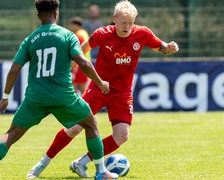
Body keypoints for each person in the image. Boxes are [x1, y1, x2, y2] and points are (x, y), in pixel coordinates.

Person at [27, 0, 179, 178]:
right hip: (98, 88)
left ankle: (81, 163)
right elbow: (80, 52)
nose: (127, 27)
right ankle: (42, 163)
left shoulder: (142, 33)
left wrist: (170, 47)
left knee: (122, 136)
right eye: (123, 23)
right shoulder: (102, 34)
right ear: (114, 19)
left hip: (122, 93)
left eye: (130, 23)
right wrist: (67, 67)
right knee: (75, 128)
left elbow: (162, 48)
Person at [0, 0, 118, 180]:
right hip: (63, 97)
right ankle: (101, 172)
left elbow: (14, 70)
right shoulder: (68, 36)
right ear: (56, 13)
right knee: (91, 124)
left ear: (38, 16)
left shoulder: (30, 39)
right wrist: (100, 83)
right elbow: (82, 62)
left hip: (35, 99)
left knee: (10, 134)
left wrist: (5, 97)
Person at [69, 16, 91, 95]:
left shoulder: (78, 35)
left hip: (80, 65)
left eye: (71, 25)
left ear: (76, 25)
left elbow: (78, 52)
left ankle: (85, 105)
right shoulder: (84, 33)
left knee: (76, 88)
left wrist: (73, 66)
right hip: (85, 63)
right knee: (80, 88)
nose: (71, 27)